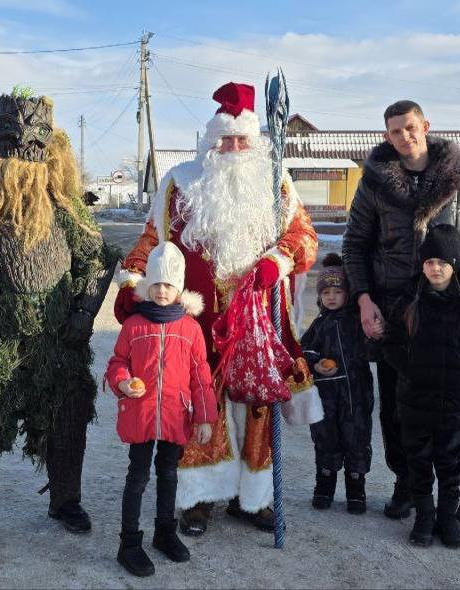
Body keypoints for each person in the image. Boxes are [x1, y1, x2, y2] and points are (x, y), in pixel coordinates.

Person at [114, 82, 322, 537]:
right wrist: (133, 282)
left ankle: (253, 498)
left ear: (254, 140)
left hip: (258, 319)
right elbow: (152, 241)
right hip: (195, 319)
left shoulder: (275, 182)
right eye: (223, 139)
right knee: (198, 404)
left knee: (256, 408)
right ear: (209, 142)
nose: (231, 147)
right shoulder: (179, 183)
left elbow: (304, 238)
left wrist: (276, 261)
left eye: (240, 139)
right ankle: (199, 498)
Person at [0, 88, 118, 546]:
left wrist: (84, 314)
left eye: (36, 142)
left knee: (68, 415)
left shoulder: (67, 208)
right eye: (14, 140)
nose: (25, 153)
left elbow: (97, 260)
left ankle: (66, 499)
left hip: (58, 339)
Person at [342, 100, 460, 542]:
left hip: (449, 311)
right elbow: (356, 244)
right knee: (398, 408)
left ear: (425, 127)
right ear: (386, 136)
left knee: (459, 411)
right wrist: (363, 299)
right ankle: (408, 486)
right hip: (396, 313)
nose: (404, 137)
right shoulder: (374, 183)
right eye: (395, 131)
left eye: (410, 128)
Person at [105, 242, 218, 577]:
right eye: (156, 283)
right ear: (147, 285)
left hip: (174, 415)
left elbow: (201, 376)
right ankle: (129, 543)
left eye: (169, 284)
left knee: (168, 474)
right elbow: (117, 363)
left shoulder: (190, 329)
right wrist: (123, 382)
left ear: (179, 287)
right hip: (140, 416)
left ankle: (164, 532)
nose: (162, 290)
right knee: (137, 477)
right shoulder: (134, 325)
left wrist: (205, 416)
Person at [383, 225, 460, 548]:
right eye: (429, 261)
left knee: (450, 465)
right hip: (414, 403)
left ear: (454, 263)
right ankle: (425, 517)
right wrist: (410, 370)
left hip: (453, 404)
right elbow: (391, 342)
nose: (435, 268)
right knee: (419, 464)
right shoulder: (409, 299)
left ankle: (447, 518)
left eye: (442, 262)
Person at [300, 253, 374, 513]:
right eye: (326, 292)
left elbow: (372, 346)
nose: (331, 297)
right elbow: (304, 350)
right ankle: (324, 487)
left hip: (356, 394)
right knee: (326, 440)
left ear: (348, 294)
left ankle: (356, 490)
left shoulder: (356, 322)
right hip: (327, 398)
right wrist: (316, 363)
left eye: (337, 291)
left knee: (356, 439)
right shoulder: (319, 325)